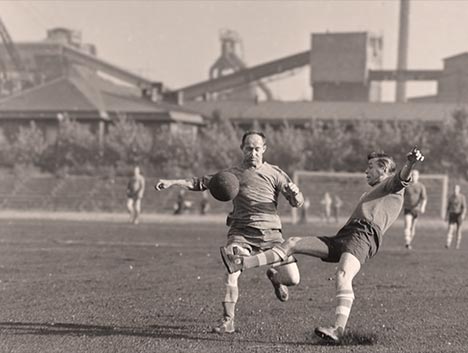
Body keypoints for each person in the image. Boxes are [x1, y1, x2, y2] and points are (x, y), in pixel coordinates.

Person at [220, 147, 425, 343]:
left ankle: (338, 329)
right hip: (345, 236)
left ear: (383, 169)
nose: (366, 170)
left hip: (364, 236)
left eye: (370, 167)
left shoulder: (391, 185)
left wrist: (410, 162)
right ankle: (241, 263)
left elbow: (402, 178)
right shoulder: (374, 191)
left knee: (343, 276)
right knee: (292, 243)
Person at [155, 131, 304, 334]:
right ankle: (228, 320)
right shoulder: (230, 175)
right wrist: (172, 182)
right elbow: (199, 183)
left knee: (294, 280)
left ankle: (275, 278)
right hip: (241, 232)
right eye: (248, 148)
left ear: (264, 149)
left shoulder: (275, 173)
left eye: (257, 149)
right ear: (242, 149)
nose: (253, 153)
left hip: (272, 234)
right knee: (231, 271)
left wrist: (296, 195)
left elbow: (296, 202)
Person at [403, 170, 427, 250]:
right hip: (407, 208)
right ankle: (407, 242)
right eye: (412, 175)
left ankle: (409, 241)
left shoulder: (421, 186)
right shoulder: (407, 186)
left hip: (416, 209)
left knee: (413, 228)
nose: (414, 176)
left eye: (415, 175)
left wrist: (423, 207)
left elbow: (424, 198)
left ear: (418, 176)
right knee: (407, 225)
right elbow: (401, 196)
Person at [445, 184, 466, 250]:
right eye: (454, 189)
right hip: (452, 214)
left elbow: (464, 207)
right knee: (450, 229)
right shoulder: (451, 197)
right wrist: (446, 215)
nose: (455, 190)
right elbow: (448, 207)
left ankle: (457, 244)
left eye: (456, 189)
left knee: (458, 230)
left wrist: (463, 215)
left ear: (459, 190)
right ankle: (448, 243)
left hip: (459, 215)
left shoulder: (462, 197)